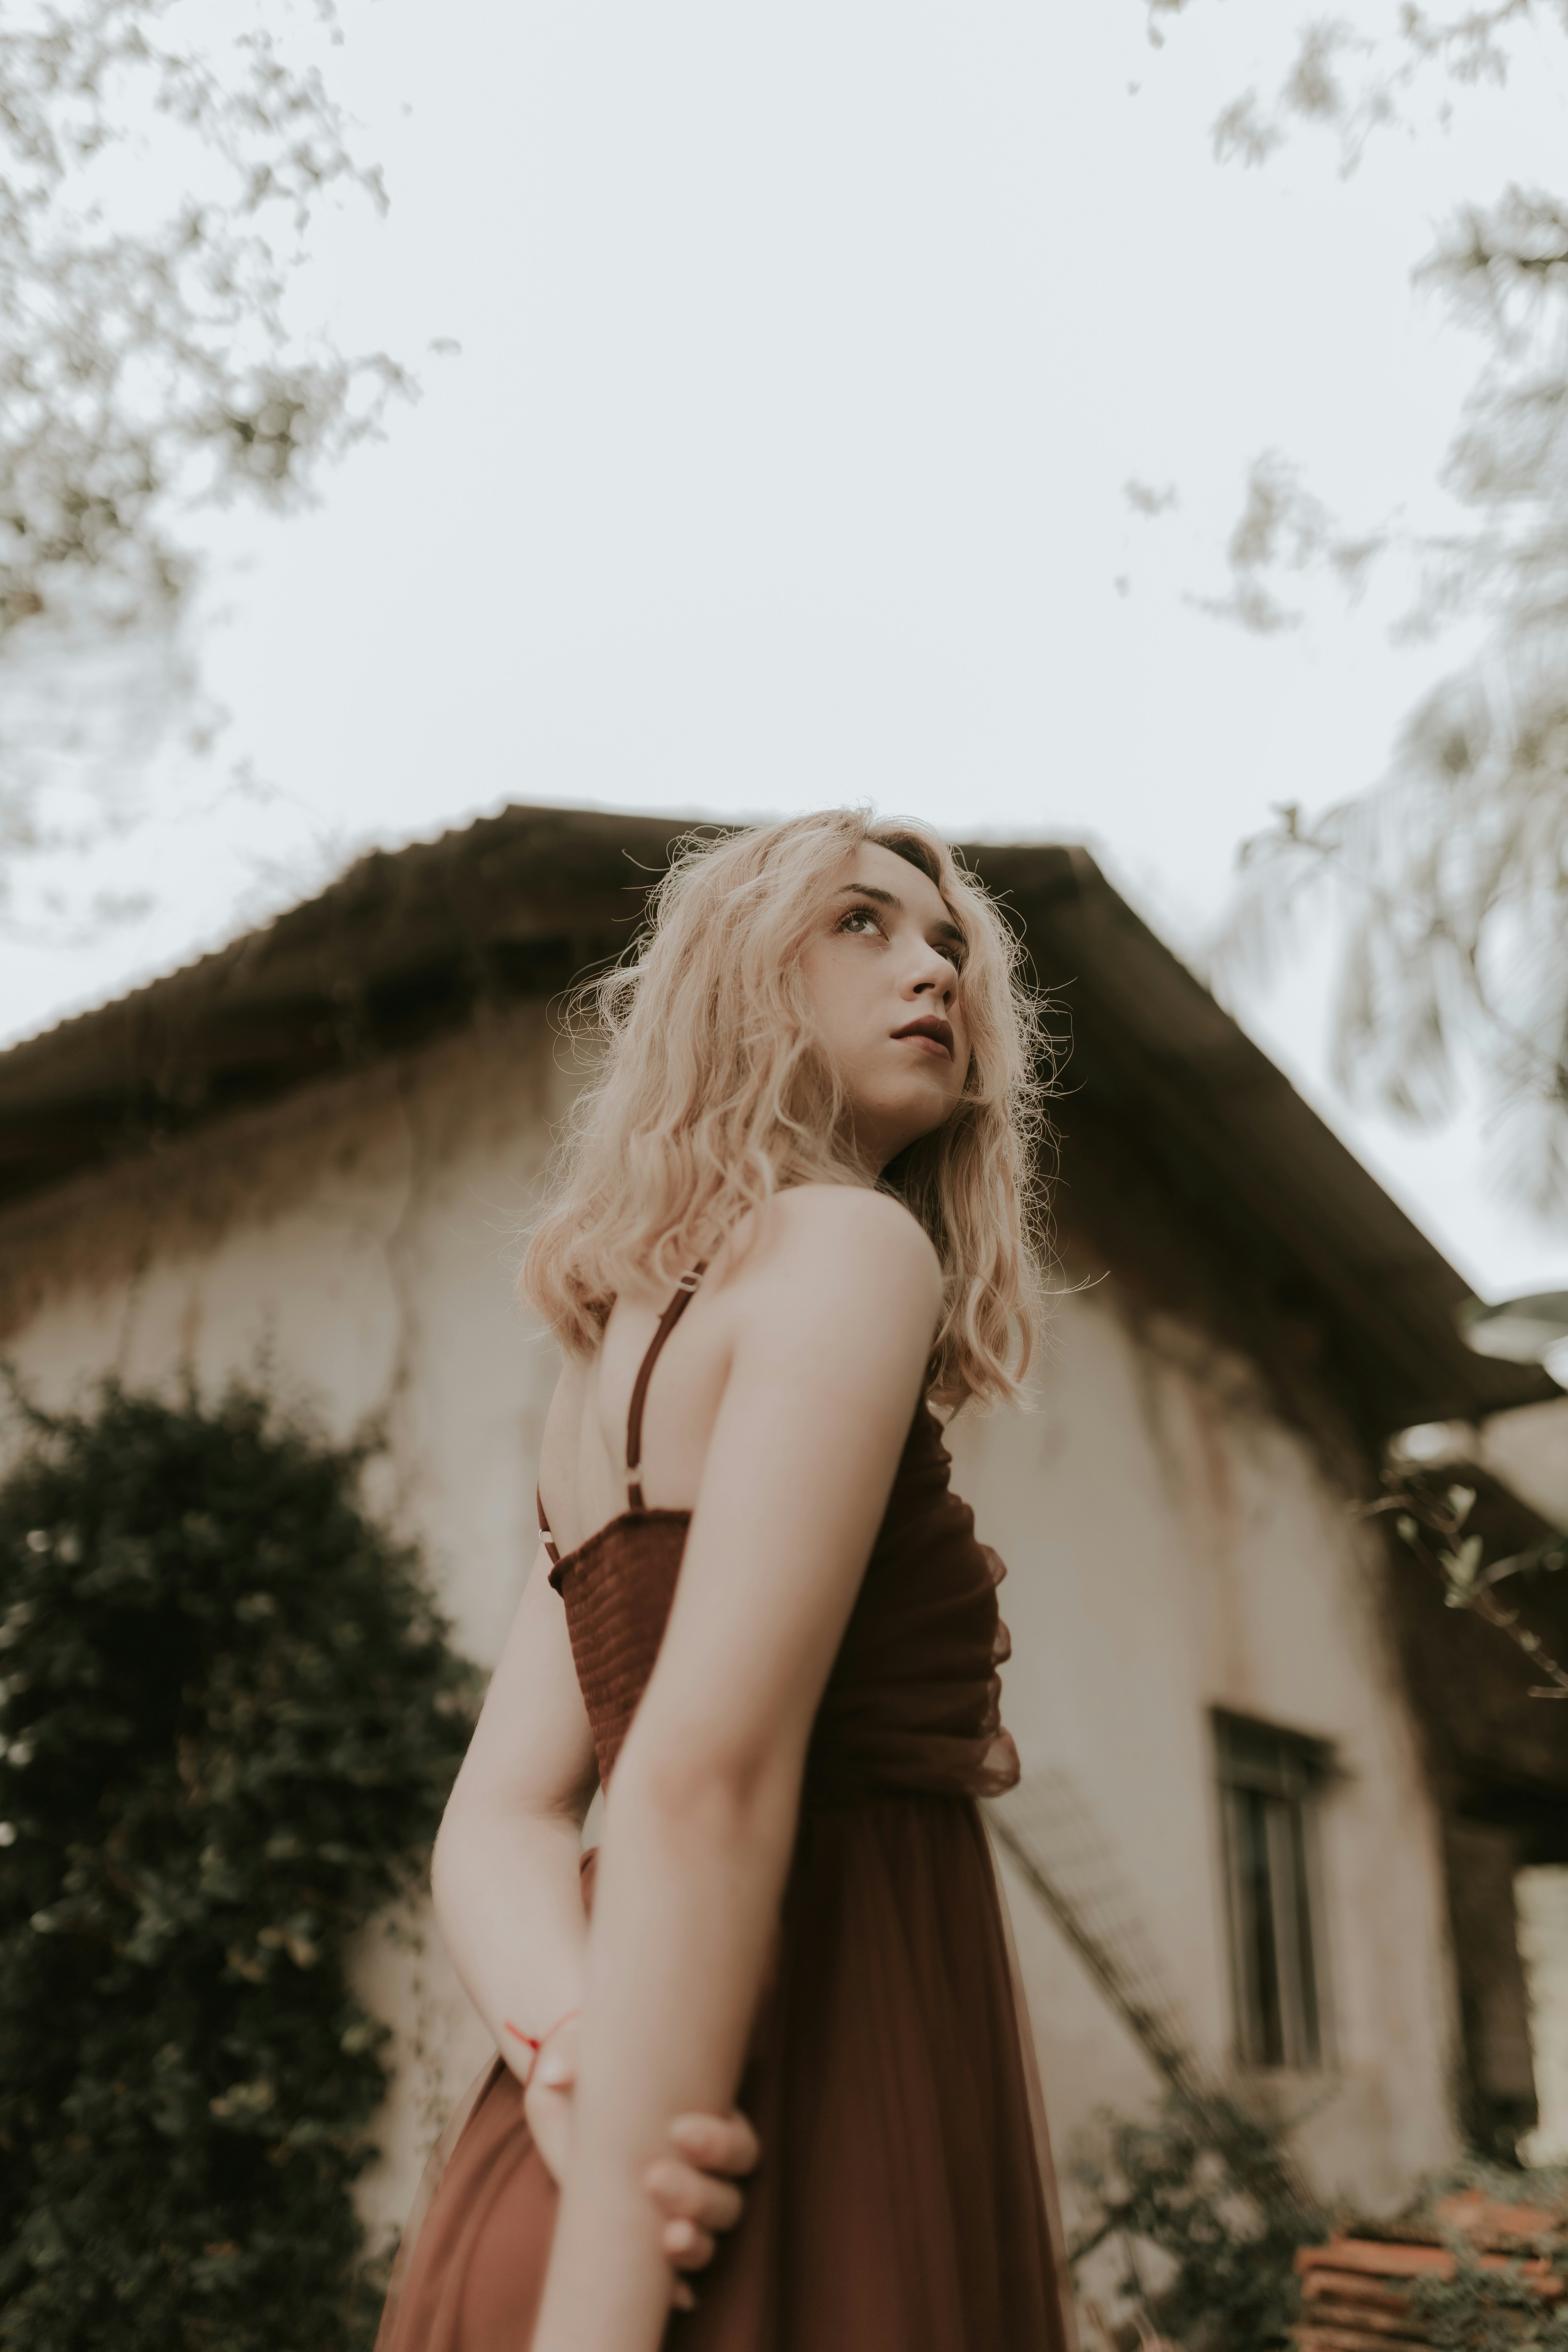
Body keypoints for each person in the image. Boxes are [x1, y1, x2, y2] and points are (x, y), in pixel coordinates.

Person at [375, 810, 1078, 2352]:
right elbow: (702, 1772)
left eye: (949, 941)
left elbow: (496, 1820)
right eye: (860, 926)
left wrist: (569, 2057)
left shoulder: (610, 1352)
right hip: (786, 2107)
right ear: (740, 985)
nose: (932, 970)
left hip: (583, 2135)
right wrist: (604, 2299)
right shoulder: (851, 1248)